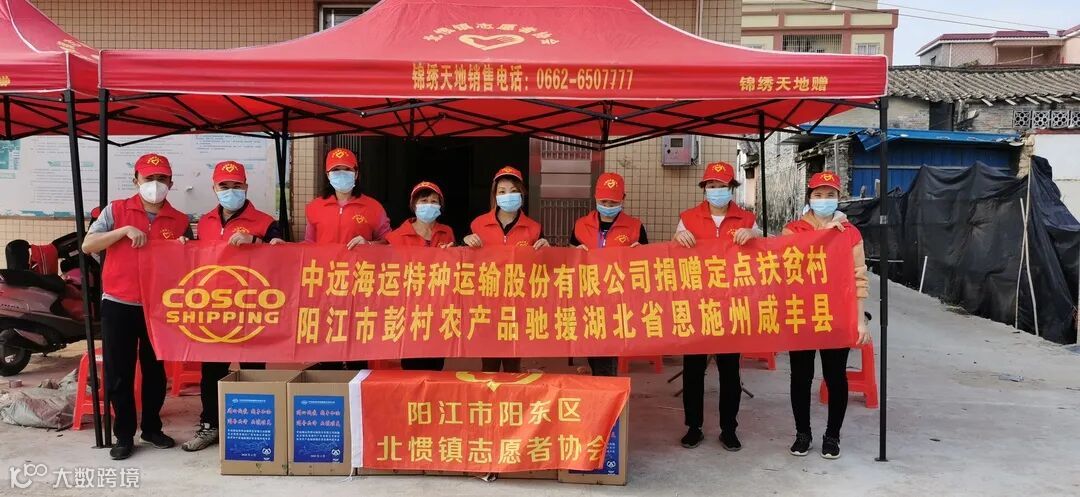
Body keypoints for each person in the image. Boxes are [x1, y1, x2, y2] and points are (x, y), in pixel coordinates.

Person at [82, 153, 192, 460]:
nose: (155, 184)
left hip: (159, 306)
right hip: (119, 302)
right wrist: (123, 231)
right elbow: (88, 245)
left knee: (156, 372)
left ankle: (152, 428)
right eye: (149, 178)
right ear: (136, 181)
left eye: (161, 178)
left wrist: (185, 249)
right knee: (120, 372)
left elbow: (191, 265)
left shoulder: (180, 220)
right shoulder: (116, 210)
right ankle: (124, 434)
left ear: (171, 182)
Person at [177, 160, 285, 452]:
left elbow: (283, 256)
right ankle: (210, 425)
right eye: (224, 185)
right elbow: (195, 259)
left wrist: (256, 241)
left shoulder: (265, 222)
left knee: (253, 369)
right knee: (212, 370)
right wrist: (182, 246)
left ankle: (257, 426)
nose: (230, 190)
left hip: (252, 307)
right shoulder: (205, 222)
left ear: (246, 187)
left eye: (236, 185)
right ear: (214, 188)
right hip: (215, 308)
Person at [782, 171, 871, 460]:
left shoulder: (851, 234)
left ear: (838, 198)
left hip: (836, 313)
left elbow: (859, 277)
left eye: (830, 195)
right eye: (818, 194)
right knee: (801, 376)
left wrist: (860, 319)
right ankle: (802, 434)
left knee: (835, 376)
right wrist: (825, 235)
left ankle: (832, 436)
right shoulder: (792, 230)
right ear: (809, 198)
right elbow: (787, 266)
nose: (824, 199)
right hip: (801, 313)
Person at [673, 161, 761, 451]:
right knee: (693, 369)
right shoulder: (688, 218)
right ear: (704, 188)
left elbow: (766, 250)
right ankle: (693, 427)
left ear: (731, 188)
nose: (716, 190)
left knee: (729, 370)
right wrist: (677, 238)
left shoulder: (746, 218)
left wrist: (755, 235)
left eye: (722, 186)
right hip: (697, 304)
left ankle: (729, 429)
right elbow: (673, 254)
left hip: (732, 305)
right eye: (711, 186)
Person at [304, 147, 390, 371]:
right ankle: (331, 386)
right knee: (329, 340)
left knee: (357, 343)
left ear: (356, 173)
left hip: (360, 286)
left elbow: (389, 242)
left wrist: (369, 245)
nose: (341, 174)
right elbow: (308, 246)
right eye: (336, 170)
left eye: (347, 169)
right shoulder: (315, 207)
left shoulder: (373, 207)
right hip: (326, 285)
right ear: (327, 175)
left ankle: (356, 386)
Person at [463, 166, 549, 373]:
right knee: (489, 365)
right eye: (502, 191)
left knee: (513, 364)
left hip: (517, 305)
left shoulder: (533, 228)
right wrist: (465, 241)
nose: (507, 195)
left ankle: (512, 394)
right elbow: (464, 262)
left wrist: (546, 249)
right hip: (487, 304)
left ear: (522, 193)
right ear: (494, 195)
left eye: (513, 190)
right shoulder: (478, 225)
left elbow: (544, 269)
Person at [569, 172, 648, 377]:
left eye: (613, 202)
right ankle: (602, 384)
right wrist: (574, 253)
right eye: (604, 201)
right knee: (593, 349)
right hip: (588, 298)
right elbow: (569, 258)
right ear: (596, 198)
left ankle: (606, 388)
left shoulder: (635, 227)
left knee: (607, 352)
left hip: (617, 300)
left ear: (623, 199)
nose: (608, 206)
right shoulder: (581, 225)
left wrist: (641, 254)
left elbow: (645, 264)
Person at [386, 181, 455, 371]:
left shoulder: (447, 232)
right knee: (412, 364)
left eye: (434, 201)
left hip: (438, 309)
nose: (429, 205)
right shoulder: (397, 236)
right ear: (414, 205)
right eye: (424, 201)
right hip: (410, 310)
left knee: (436, 363)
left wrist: (452, 254)